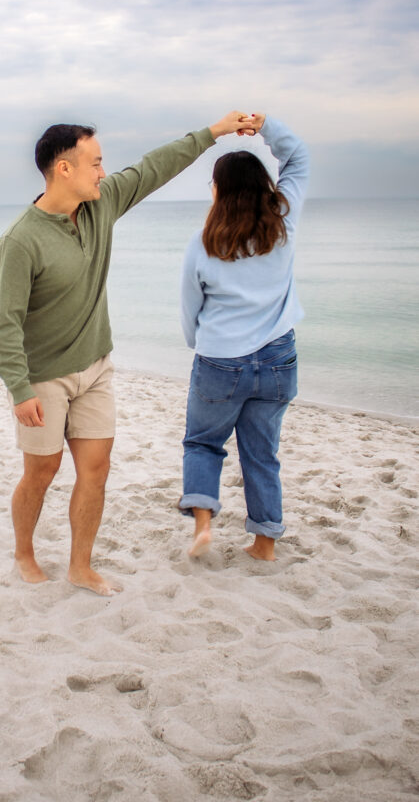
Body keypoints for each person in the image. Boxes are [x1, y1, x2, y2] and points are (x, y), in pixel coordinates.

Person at [0, 110, 257, 596]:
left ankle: (79, 566)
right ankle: (24, 553)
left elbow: (156, 166)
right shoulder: (19, 241)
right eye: (94, 163)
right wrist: (19, 388)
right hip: (43, 377)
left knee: (96, 470)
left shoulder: (102, 205)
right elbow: (6, 325)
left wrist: (215, 132)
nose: (103, 172)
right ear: (64, 169)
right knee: (42, 470)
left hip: (95, 367)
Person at [178, 113, 309, 561]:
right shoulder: (283, 226)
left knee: (202, 442)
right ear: (264, 188)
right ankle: (265, 545)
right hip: (277, 360)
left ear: (218, 190)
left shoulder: (204, 241)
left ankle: (203, 525)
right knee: (262, 453)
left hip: (219, 360)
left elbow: (189, 309)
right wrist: (265, 125)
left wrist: (201, 344)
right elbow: (299, 158)